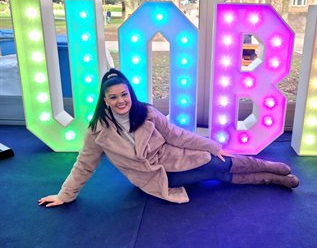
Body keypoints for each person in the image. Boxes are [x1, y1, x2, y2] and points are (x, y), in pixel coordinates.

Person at [38, 68, 299, 207]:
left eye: (124, 94)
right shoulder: (97, 131)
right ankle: (270, 179)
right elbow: (84, 164)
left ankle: (269, 170)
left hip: (176, 158)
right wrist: (64, 195)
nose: (121, 101)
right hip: (153, 178)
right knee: (215, 172)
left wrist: (212, 145)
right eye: (114, 97)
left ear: (130, 93)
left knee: (219, 165)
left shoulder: (147, 113)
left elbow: (177, 135)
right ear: (105, 101)